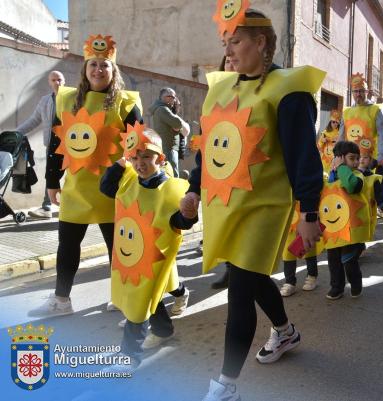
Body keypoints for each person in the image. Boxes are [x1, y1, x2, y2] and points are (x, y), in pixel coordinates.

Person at [180, 4, 325, 400]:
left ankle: (225, 387)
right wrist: (194, 187)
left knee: (240, 288)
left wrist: (309, 212)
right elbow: (209, 147)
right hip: (225, 204)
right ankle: (285, 332)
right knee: (253, 276)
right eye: (225, 42)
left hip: (264, 207)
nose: (229, 50)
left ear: (261, 43)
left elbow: (303, 156)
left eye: (237, 41)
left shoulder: (289, 91)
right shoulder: (222, 87)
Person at [28, 34, 143, 317]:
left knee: (118, 247)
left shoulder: (126, 104)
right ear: (85, 69)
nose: (98, 70)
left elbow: (138, 145)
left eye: (105, 65)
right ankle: (61, 300)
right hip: (77, 188)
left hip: (113, 189)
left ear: (113, 70)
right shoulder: (66, 100)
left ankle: (122, 296)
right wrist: (52, 182)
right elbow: (57, 143)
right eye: (93, 64)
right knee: (67, 244)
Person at [98, 126, 195, 372]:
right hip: (133, 255)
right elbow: (106, 188)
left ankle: (129, 356)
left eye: (146, 157)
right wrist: (121, 163)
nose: (140, 163)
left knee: (139, 304)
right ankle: (163, 330)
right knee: (144, 298)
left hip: (156, 257)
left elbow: (179, 222)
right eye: (135, 157)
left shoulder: (172, 188)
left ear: (160, 159)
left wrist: (188, 215)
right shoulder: (129, 180)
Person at [322, 141, 378, 300]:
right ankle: (336, 287)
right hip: (334, 229)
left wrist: (342, 168)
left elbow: (351, 185)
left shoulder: (357, 175)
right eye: (352, 158)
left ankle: (355, 283)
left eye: (357, 158)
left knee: (349, 261)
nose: (356, 162)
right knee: (333, 261)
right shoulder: (331, 177)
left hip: (351, 229)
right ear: (339, 158)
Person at [16, 70, 65, 218]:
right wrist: (17, 133)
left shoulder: (74, 98)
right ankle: (47, 207)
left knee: (74, 177)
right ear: (49, 83)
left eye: (59, 79)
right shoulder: (45, 101)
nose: (57, 82)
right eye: (53, 80)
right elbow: (34, 120)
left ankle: (74, 206)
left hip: (73, 146)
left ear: (64, 80)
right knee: (51, 176)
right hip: (52, 145)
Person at [209, 54, 236, 291]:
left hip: (241, 168)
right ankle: (229, 270)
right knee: (223, 225)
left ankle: (241, 274)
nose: (231, 63)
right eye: (226, 60)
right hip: (219, 168)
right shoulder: (216, 94)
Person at [339, 73, 383, 165]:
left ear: (367, 92)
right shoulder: (346, 112)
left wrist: (381, 157)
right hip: (350, 161)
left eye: (361, 91)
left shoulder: (376, 110)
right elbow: (341, 137)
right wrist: (338, 156)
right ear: (352, 92)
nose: (358, 94)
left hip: (369, 161)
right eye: (355, 91)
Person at [279, 202, 321, 297]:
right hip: (288, 222)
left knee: (309, 250)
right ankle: (290, 282)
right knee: (288, 254)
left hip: (304, 217)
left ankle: (312, 276)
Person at [149, 87, 189, 177]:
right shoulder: (163, 109)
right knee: (173, 174)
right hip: (169, 148)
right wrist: (178, 128)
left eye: (174, 97)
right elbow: (178, 123)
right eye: (169, 96)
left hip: (166, 147)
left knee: (167, 172)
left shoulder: (161, 109)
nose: (172, 99)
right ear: (161, 98)